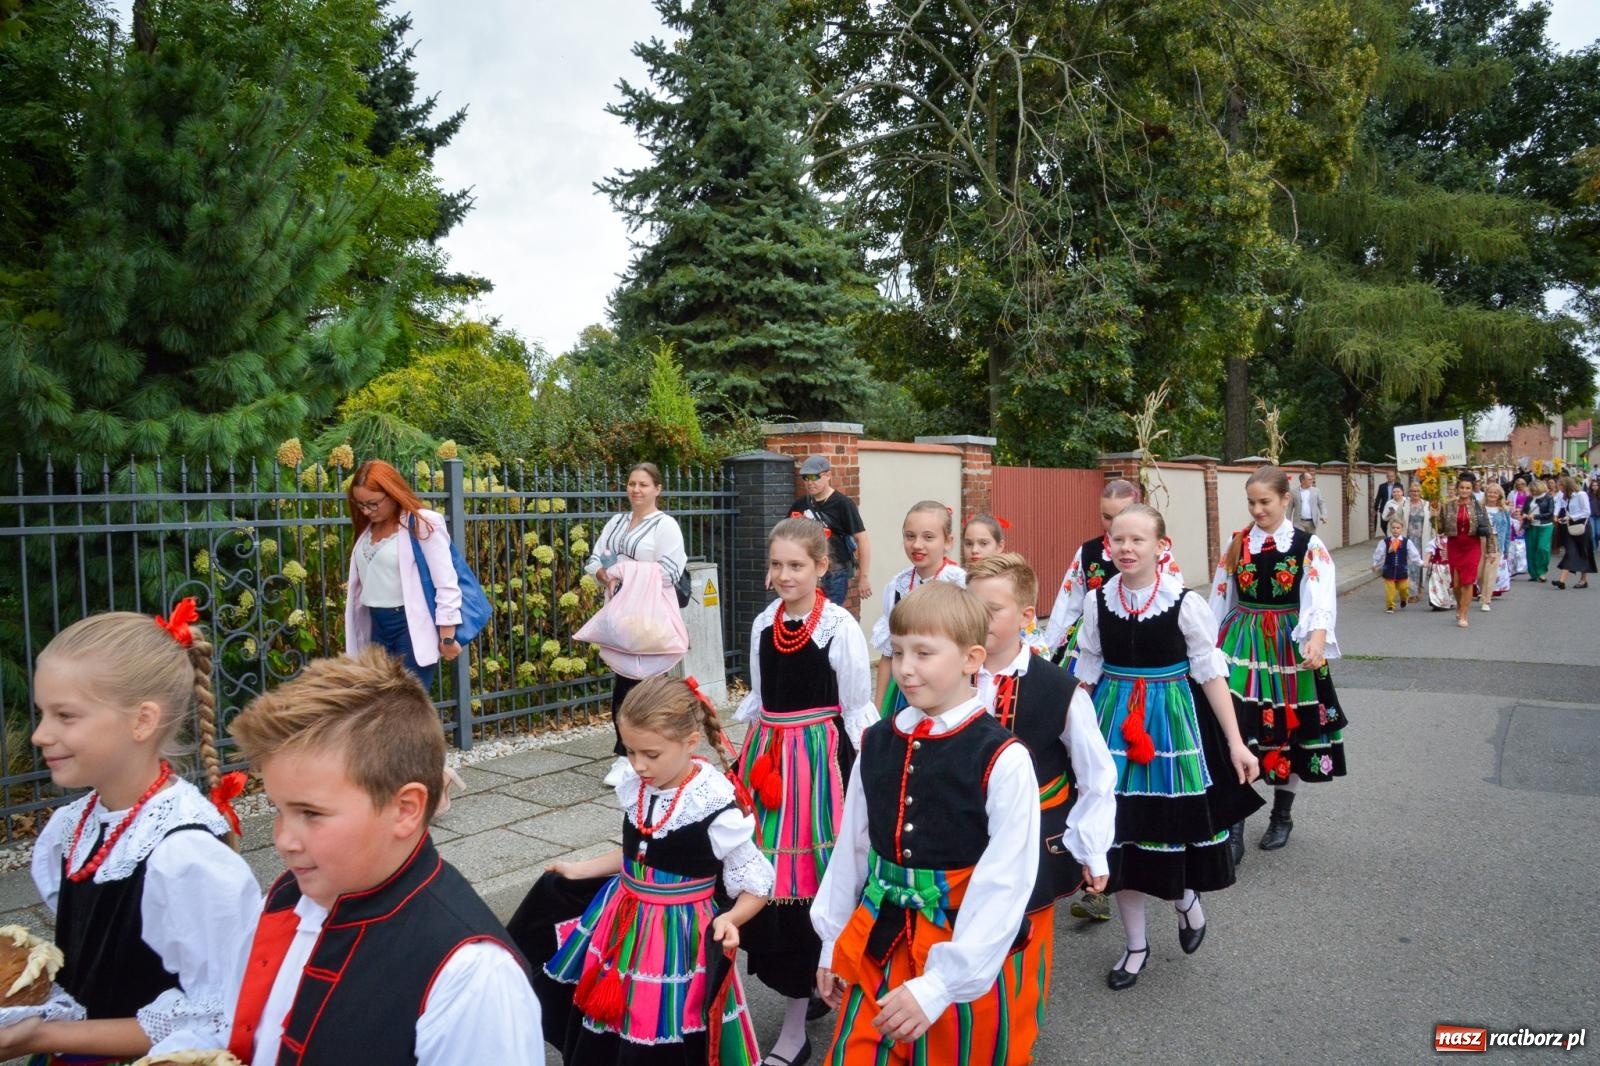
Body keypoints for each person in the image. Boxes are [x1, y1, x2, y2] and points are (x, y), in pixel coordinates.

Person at [226, 649, 543, 1065]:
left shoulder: (472, 976)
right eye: (278, 810)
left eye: (310, 814)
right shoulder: (289, 896)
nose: (283, 840)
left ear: (405, 809)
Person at [0, 603, 261, 1062]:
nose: (40, 735)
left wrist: (42, 1037)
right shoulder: (73, 826)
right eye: (42, 714)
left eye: (65, 716)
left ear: (141, 721)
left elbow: (219, 1018)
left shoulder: (185, 857)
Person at [811, 582, 1040, 1063]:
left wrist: (941, 985)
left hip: (960, 950)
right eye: (897, 653)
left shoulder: (1002, 757)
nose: (906, 668)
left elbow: (1006, 880)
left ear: (971, 658)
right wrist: (831, 941)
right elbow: (853, 848)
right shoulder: (876, 740)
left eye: (923, 652)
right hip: (878, 936)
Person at [533, 676, 773, 1065]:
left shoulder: (712, 805)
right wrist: (578, 869)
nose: (638, 765)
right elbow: (634, 855)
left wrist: (732, 918)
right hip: (620, 922)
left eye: (650, 754)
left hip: (678, 937)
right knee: (612, 1018)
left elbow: (757, 882)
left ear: (690, 742)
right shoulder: (637, 787)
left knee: (661, 1023)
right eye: (629, 751)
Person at [1081, 506, 1261, 990]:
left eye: (1138, 539)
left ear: (1162, 547)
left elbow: (1209, 672)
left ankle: (1186, 900)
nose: (1126, 548)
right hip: (1112, 720)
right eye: (1118, 539)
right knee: (1119, 833)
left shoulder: (1184, 603)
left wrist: (1236, 743)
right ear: (1107, 545)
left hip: (1171, 726)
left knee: (1168, 827)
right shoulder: (1097, 602)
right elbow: (1087, 671)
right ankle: (1135, 947)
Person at [733, 518, 874, 1066]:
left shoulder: (839, 627)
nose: (784, 574)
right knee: (760, 875)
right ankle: (803, 990)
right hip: (769, 761)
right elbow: (761, 696)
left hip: (819, 767)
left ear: (822, 568)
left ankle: (797, 1024)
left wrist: (868, 769)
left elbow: (856, 707)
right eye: (776, 564)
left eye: (796, 565)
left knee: (813, 884)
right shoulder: (764, 622)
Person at [968, 553, 1116, 992]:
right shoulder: (950, 675)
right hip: (962, 832)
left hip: (1034, 839)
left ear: (1027, 615)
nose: (980, 620)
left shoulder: (1058, 689)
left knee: (1022, 948)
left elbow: (1096, 775)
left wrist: (1093, 849)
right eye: (972, 608)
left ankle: (1013, 1040)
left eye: (993, 610)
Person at [1210, 466, 1345, 856]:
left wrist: (1316, 639)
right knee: (1236, 727)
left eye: (1264, 501)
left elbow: (1319, 596)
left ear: (1286, 499)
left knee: (1293, 729)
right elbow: (1220, 597)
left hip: (1289, 645)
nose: (1257, 509)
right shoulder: (1238, 545)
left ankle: (1281, 815)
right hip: (1242, 642)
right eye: (1251, 502)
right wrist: (1205, 647)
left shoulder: (1308, 546)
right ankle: (1233, 827)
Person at [586, 462, 689, 754]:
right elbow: (595, 559)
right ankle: (628, 750)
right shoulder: (616, 522)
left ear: (658, 489)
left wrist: (627, 572)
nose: (636, 490)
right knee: (623, 680)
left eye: (643, 484)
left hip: (650, 613)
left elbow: (670, 570)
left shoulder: (665, 525)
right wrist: (603, 574)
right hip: (620, 611)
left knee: (647, 683)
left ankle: (649, 748)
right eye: (632, 483)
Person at [1041, 479, 1183, 675]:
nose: (1114, 524)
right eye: (1107, 517)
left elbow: (1175, 600)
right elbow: (1068, 604)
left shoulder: (1159, 553)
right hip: (1094, 637)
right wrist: (1048, 650)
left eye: (1122, 515)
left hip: (1148, 632)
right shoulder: (1088, 551)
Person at [346, 459, 463, 690]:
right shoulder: (368, 529)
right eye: (360, 505)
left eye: (373, 503)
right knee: (377, 707)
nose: (367, 511)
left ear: (392, 493)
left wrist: (447, 636)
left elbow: (446, 582)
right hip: (375, 627)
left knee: (406, 709)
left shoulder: (422, 523)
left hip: (409, 627)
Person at [870, 501, 966, 711]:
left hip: (947, 688)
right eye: (910, 536)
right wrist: (878, 707)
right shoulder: (897, 586)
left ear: (948, 541)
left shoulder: (960, 585)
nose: (917, 545)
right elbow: (888, 654)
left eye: (928, 537)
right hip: (906, 688)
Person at [788, 455, 871, 608]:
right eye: (805, 478)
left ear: (827, 475)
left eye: (814, 477)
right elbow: (785, 539)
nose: (809, 482)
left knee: (828, 617)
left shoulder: (843, 504)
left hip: (835, 573)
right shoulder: (800, 505)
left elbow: (862, 539)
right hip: (807, 571)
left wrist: (863, 577)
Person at [1437, 475, 1491, 627]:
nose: (1464, 490)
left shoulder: (1478, 506)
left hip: (1472, 545)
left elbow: (1488, 528)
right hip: (1454, 545)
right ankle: (1460, 606)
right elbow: (1440, 528)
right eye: (1462, 488)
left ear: (1472, 488)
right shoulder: (1448, 505)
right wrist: (1434, 516)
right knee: (1456, 583)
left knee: (1468, 580)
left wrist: (1491, 550)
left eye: (1468, 488)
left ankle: (1464, 614)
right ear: (1457, 488)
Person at [1553, 474, 1595, 589]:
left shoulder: (1581, 495)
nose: (1559, 489)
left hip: (1582, 526)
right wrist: (1556, 515)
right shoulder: (1565, 496)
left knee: (1583, 552)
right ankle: (1562, 581)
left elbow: (1587, 512)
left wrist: (1571, 517)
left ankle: (1583, 580)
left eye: (1560, 486)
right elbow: (1559, 505)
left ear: (1566, 486)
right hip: (1570, 526)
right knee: (1570, 551)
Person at [1371, 518, 1422, 612]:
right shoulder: (1385, 542)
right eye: (1393, 528)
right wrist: (1375, 564)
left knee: (1404, 588)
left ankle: (1403, 599)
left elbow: (1413, 554)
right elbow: (1379, 554)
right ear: (1390, 529)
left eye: (1398, 528)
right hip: (1389, 570)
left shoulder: (1407, 542)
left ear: (1401, 529)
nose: (1395, 530)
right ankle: (1390, 606)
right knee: (1390, 590)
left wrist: (1420, 562)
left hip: (1402, 570)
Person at [1480, 482, 1512, 608]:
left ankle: (1486, 599)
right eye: (1490, 492)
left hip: (1496, 540)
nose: (1492, 494)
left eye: (1495, 492)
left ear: (1499, 495)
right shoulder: (1479, 508)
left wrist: (1506, 548)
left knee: (1490, 571)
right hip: (1481, 539)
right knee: (1480, 572)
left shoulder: (1504, 510)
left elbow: (1508, 530)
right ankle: (1482, 590)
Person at [1523, 478, 1555, 582]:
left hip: (1545, 526)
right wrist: (1524, 514)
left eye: (1534, 489)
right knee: (1531, 549)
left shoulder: (1548, 498)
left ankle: (1542, 571)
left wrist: (1536, 516)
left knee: (1543, 548)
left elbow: (1550, 513)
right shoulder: (1529, 498)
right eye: (1532, 490)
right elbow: (1525, 510)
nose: (1533, 492)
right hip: (1531, 526)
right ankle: (1533, 573)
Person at [1403, 484, 1431, 600]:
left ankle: (1419, 587)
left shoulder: (1426, 505)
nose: (1415, 493)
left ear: (1420, 492)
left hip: (1422, 538)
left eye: (1417, 491)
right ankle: (1411, 593)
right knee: (1411, 565)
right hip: (1409, 539)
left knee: (1421, 565)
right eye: (1412, 491)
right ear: (1409, 492)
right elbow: (1399, 519)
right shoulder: (1405, 504)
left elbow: (1431, 520)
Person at [1292, 471, 1328, 537]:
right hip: (1299, 523)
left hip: (1312, 523)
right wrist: (1287, 522)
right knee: (1300, 542)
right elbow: (1289, 508)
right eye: (1309, 479)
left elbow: (1321, 504)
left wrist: (1324, 515)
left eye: (1312, 479)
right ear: (1302, 480)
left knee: (1311, 542)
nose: (1312, 481)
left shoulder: (1316, 491)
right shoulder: (1294, 492)